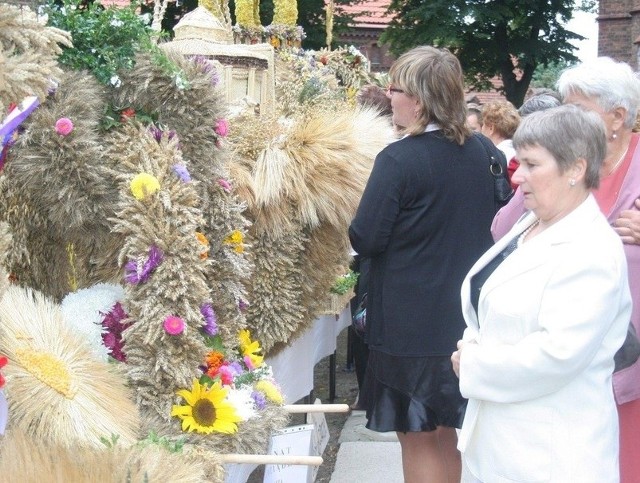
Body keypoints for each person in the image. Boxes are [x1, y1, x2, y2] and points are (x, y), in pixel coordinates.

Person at [452, 104, 632, 482]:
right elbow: (487, 304)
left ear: (576, 169)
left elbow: (557, 355)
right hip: (503, 445)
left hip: (549, 455)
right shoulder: (533, 223)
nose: (519, 178)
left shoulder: (591, 249)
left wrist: (472, 364)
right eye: (520, 162)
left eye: (533, 165)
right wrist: (473, 344)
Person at [349, 46, 499, 483]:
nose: (389, 97)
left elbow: (365, 236)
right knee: (452, 432)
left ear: (417, 98)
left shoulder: (399, 159)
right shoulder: (484, 152)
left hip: (407, 321)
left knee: (416, 435)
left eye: (394, 88)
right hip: (466, 318)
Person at [490, 57, 640, 482]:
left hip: (630, 357)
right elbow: (501, 231)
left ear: (617, 118)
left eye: (580, 109)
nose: (567, 118)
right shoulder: (564, 166)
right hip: (560, 354)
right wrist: (538, 181)